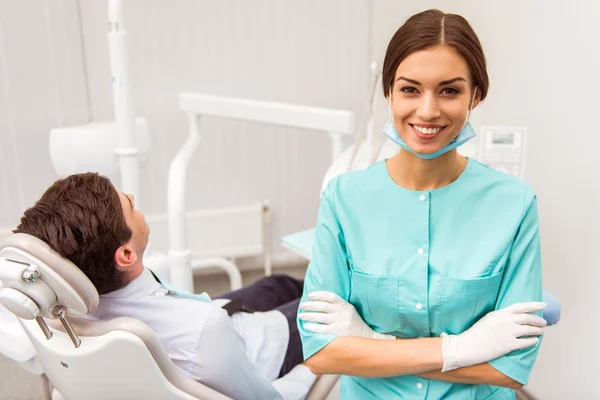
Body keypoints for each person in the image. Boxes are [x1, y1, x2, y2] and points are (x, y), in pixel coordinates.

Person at [297, 9, 545, 399]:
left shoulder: (514, 204)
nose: (428, 111)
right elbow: (321, 353)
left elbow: (510, 368)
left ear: (475, 96)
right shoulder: (343, 198)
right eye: (410, 89)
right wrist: (462, 349)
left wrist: (370, 344)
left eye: (449, 90)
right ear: (389, 93)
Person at [14, 172, 315, 400]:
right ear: (126, 254)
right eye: (130, 206)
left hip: (214, 328)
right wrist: (314, 368)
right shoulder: (201, 329)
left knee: (280, 284)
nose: (132, 198)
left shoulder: (65, 307)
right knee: (325, 299)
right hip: (257, 352)